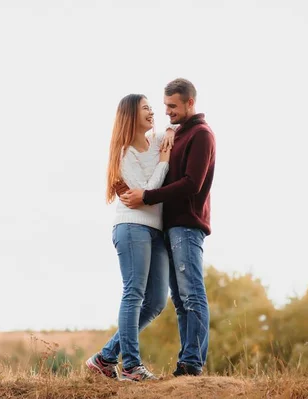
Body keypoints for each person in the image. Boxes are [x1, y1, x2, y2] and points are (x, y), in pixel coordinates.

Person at [120, 78, 216, 377]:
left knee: (192, 295)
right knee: (179, 299)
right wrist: (171, 131)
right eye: (165, 106)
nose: (167, 112)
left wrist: (147, 196)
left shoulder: (201, 135)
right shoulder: (179, 133)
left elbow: (191, 184)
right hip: (171, 227)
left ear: (190, 103)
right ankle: (186, 361)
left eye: (173, 106)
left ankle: (192, 362)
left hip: (187, 225)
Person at [85, 93, 174, 381]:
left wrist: (172, 131)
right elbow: (144, 195)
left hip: (156, 229)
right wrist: (163, 161)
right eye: (146, 108)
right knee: (134, 293)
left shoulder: (159, 139)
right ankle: (131, 366)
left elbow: (182, 128)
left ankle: (105, 358)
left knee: (157, 300)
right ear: (131, 116)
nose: (153, 112)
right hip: (132, 226)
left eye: (151, 107)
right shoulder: (125, 154)